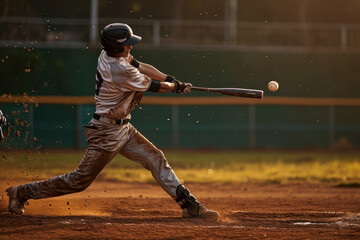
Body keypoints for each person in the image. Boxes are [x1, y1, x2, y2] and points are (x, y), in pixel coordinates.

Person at [6, 23, 220, 220]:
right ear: (117, 48)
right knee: (78, 181)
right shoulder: (119, 70)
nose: (130, 48)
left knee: (156, 158)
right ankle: (21, 192)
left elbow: (142, 66)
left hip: (123, 129)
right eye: (127, 45)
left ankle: (190, 205)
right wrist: (175, 87)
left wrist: (170, 79)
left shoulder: (110, 56)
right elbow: (157, 87)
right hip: (105, 132)